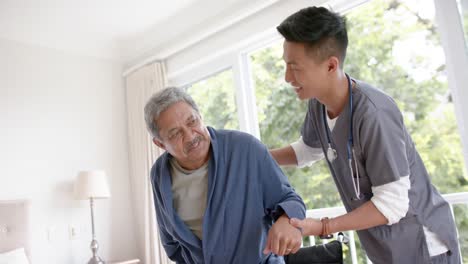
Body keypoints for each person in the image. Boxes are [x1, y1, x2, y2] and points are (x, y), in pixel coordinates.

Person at [269, 6, 461, 264]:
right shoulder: (318, 104)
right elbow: (309, 150)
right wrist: (257, 156)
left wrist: (322, 226)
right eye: (285, 65)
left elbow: (392, 204)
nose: (287, 77)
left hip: (422, 243)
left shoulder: (374, 113)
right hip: (385, 246)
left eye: (295, 67)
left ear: (330, 65)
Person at [144, 87, 305, 264]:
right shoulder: (159, 174)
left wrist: (286, 219)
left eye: (192, 122)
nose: (190, 136)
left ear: (200, 116)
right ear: (160, 143)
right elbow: (171, 243)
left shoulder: (246, 148)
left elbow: (290, 199)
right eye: (175, 133)